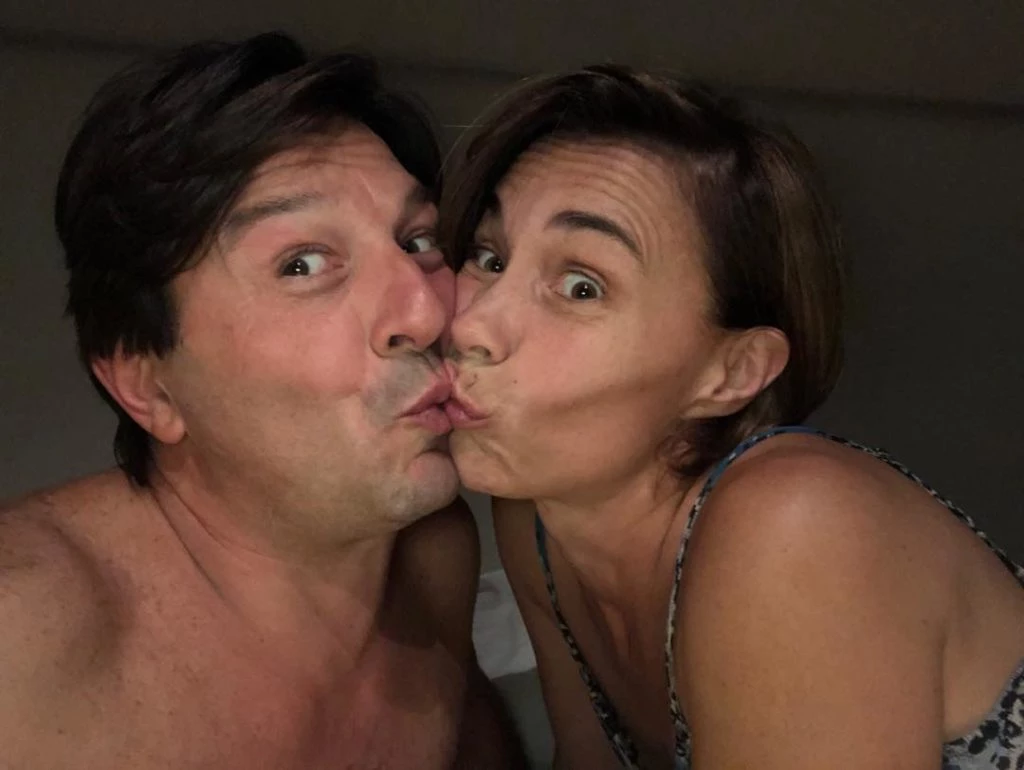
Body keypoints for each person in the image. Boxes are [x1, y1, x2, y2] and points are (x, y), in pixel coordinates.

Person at [440, 65, 1024, 769]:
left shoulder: (795, 531)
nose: (470, 323)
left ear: (732, 373)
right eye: (489, 257)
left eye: (581, 286)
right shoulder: (536, 520)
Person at [0, 33, 525, 769]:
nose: (427, 311)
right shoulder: (22, 635)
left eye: (418, 241)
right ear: (148, 385)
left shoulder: (432, 553)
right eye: (302, 264)